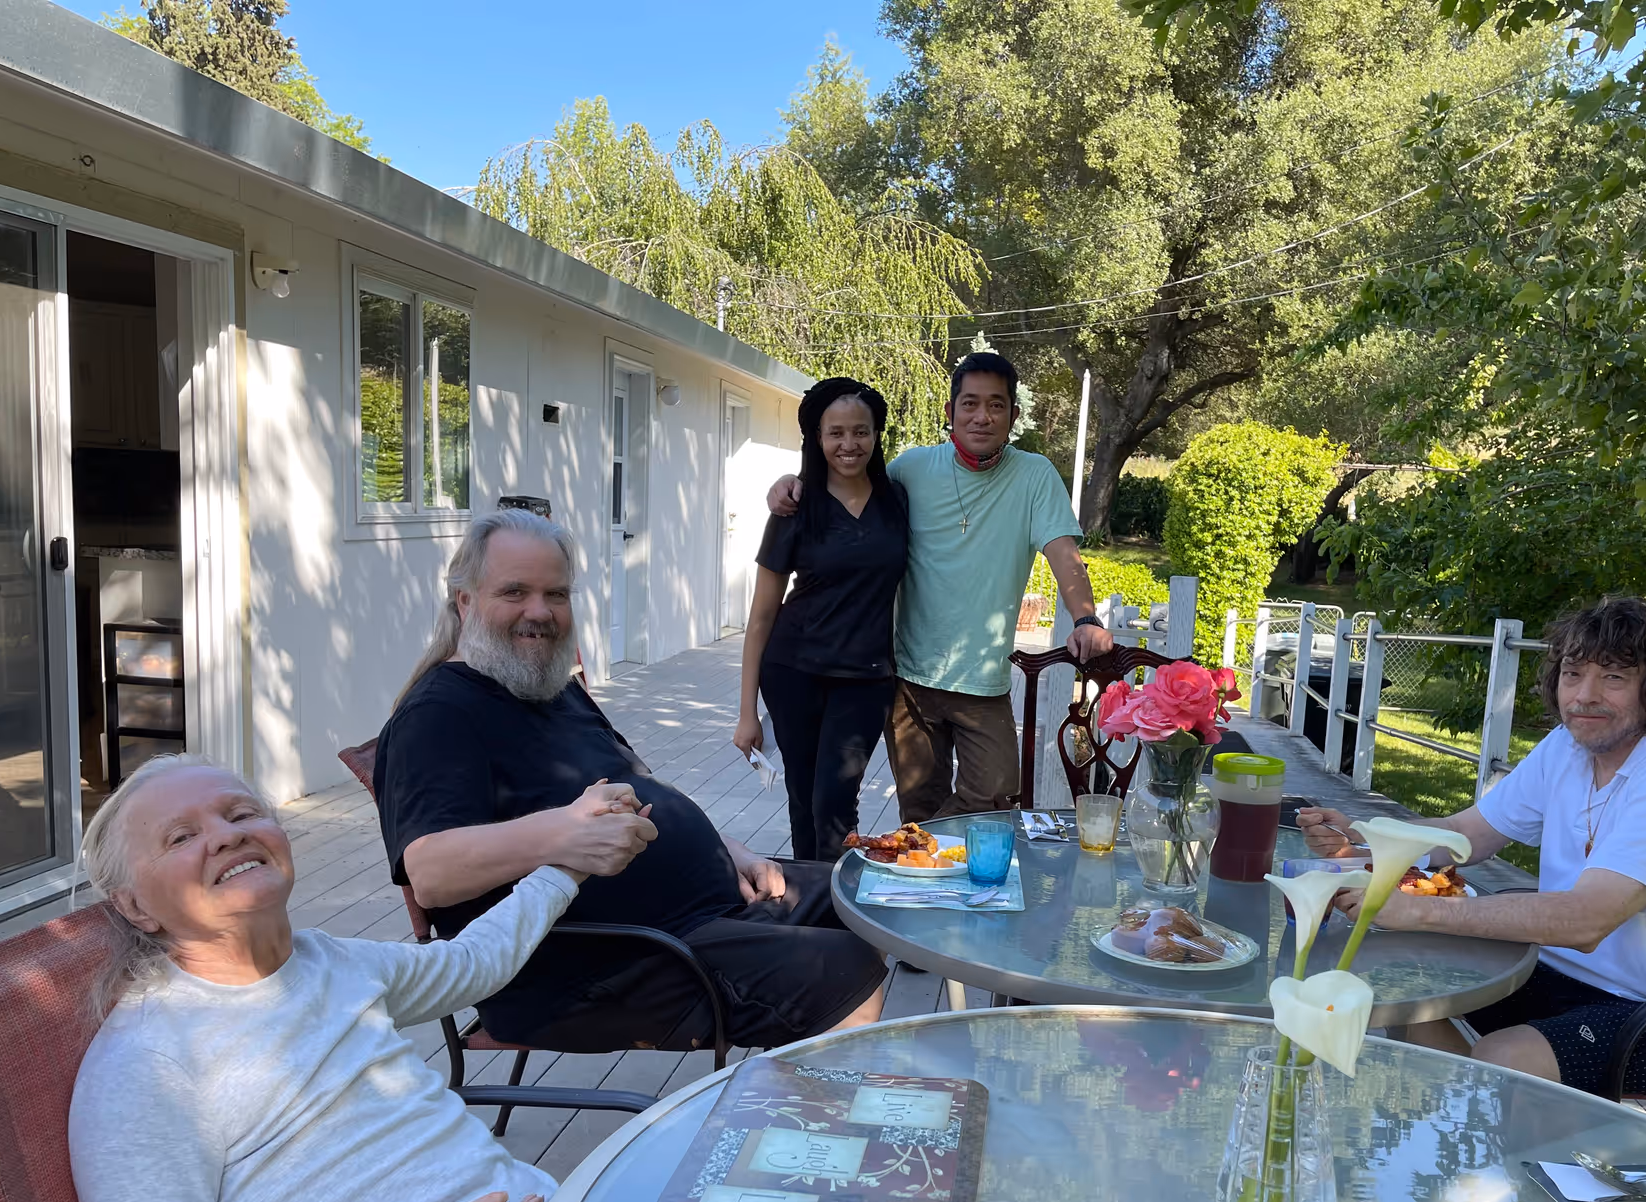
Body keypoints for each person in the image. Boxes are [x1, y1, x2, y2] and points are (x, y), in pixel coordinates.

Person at [70, 753, 651, 1202]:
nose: (225, 836)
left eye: (240, 813)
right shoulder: (149, 1064)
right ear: (134, 905)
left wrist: (571, 859)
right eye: (180, 836)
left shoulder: (325, 961)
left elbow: (470, 965)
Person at [375, 508, 886, 1055]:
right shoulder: (439, 714)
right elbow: (430, 873)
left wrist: (728, 850)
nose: (540, 612)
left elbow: (643, 789)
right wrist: (562, 833)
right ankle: (815, 1127)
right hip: (600, 966)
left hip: (697, 913)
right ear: (465, 600)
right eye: (515, 592)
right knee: (842, 969)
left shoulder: (551, 688)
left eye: (557, 594)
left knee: (862, 894)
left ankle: (793, 1099)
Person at [1303, 595, 1646, 1098]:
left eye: (1615, 678)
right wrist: (1367, 842)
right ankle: (1456, 1127)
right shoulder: (1571, 744)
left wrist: (1417, 911)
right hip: (1575, 978)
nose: (1585, 696)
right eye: (1573, 673)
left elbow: (1586, 921)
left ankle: (1489, 1140)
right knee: (1403, 983)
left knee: (1504, 1060)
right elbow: (1467, 835)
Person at [769, 351, 1115, 822]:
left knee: (995, 795)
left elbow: (1064, 556)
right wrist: (792, 482)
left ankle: (931, 848)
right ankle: (928, 878)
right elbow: (846, 479)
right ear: (949, 412)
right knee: (918, 806)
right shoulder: (911, 469)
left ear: (1013, 415)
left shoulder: (1034, 475)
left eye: (996, 405)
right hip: (909, 681)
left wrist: (1085, 618)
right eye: (969, 403)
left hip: (983, 683)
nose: (982, 416)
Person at [733, 378, 910, 860]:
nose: (849, 444)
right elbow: (762, 616)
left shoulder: (898, 501)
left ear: (876, 436)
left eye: (861, 432)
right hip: (793, 672)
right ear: (816, 437)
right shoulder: (794, 507)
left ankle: (838, 907)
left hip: (866, 678)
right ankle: (810, 903)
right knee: (802, 795)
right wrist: (747, 713)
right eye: (836, 433)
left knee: (835, 800)